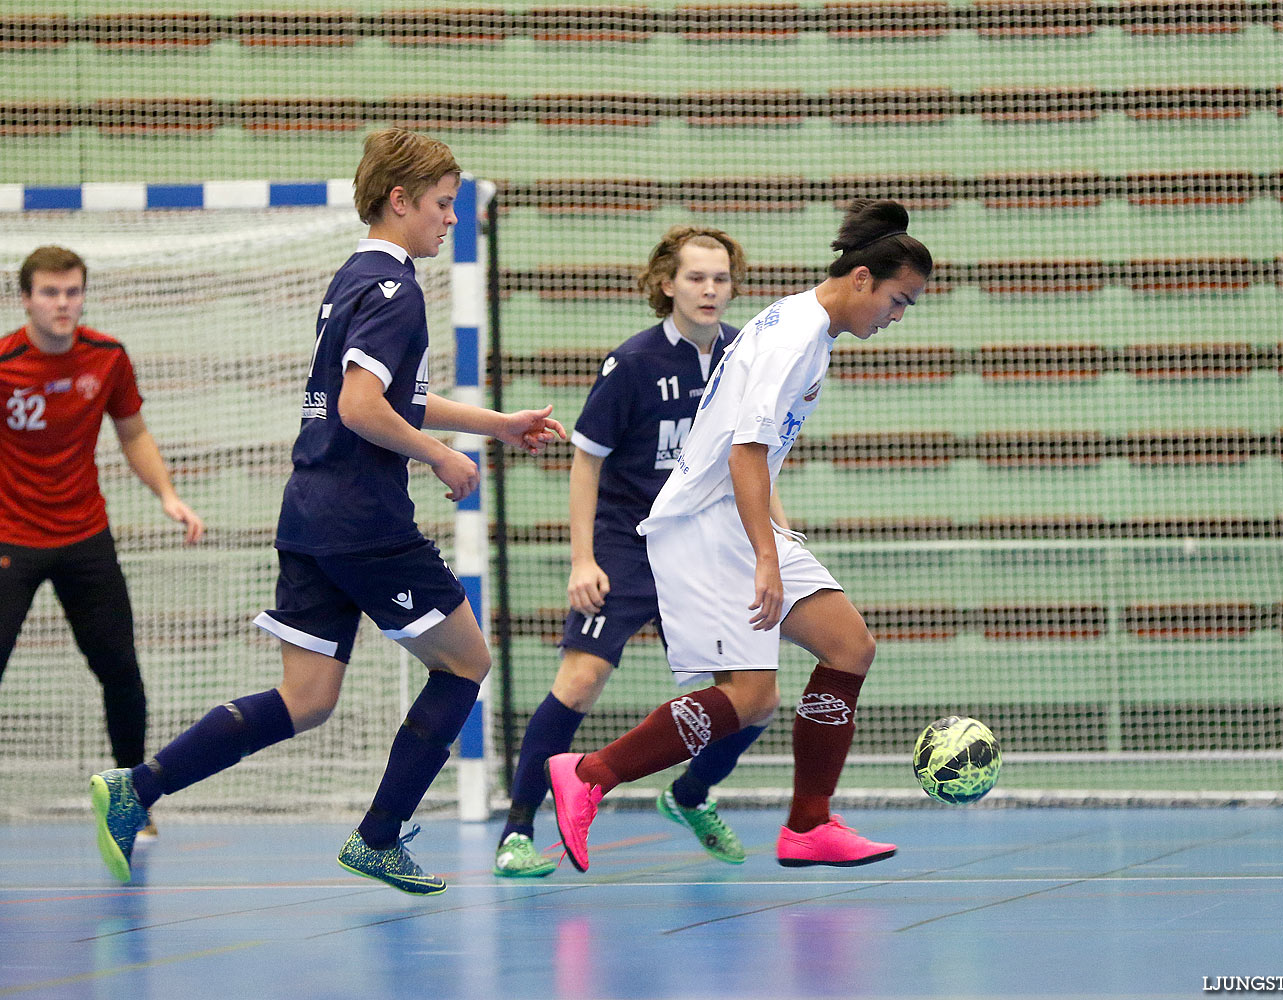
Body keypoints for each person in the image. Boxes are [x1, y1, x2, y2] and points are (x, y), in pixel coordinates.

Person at [88, 127, 566, 895]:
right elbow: (359, 406)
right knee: (468, 663)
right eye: (442, 205)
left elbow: (390, 396)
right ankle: (379, 837)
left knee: (306, 698)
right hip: (364, 521)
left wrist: (496, 424)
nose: (452, 218)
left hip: (309, 512)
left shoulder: (354, 276)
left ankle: (136, 789)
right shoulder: (399, 290)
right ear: (399, 200)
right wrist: (437, 456)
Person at [546, 199, 931, 872]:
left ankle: (809, 823)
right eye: (898, 301)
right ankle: (589, 775)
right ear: (863, 279)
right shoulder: (793, 338)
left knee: (849, 648)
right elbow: (744, 455)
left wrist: (778, 537)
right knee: (751, 697)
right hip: (705, 524)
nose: (896, 317)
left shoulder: (807, 325)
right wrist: (766, 557)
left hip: (735, 518)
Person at [494, 226, 782, 877]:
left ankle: (689, 795)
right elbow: (584, 461)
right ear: (666, 284)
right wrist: (581, 559)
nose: (710, 290)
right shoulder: (633, 364)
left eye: (721, 279)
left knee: (757, 698)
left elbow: (753, 459)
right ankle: (516, 834)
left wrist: (777, 539)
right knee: (581, 679)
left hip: (707, 548)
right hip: (628, 543)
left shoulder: (745, 356)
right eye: (696, 278)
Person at [2, 246, 204, 837]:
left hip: (85, 535)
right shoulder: (7, 361)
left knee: (120, 669)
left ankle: (129, 800)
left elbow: (133, 433)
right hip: (12, 537)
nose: (62, 304)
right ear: (26, 299)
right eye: (49, 293)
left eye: (72, 292)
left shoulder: (108, 358)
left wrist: (167, 494)